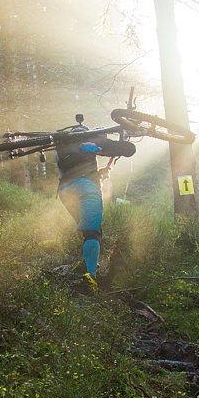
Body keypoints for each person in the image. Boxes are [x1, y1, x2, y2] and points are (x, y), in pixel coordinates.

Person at [56, 116, 136, 291]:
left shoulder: (62, 149)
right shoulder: (89, 141)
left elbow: (75, 171)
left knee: (87, 229)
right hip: (86, 188)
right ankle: (90, 277)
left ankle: (89, 264)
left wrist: (99, 174)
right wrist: (125, 140)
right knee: (92, 232)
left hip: (65, 190)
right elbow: (127, 149)